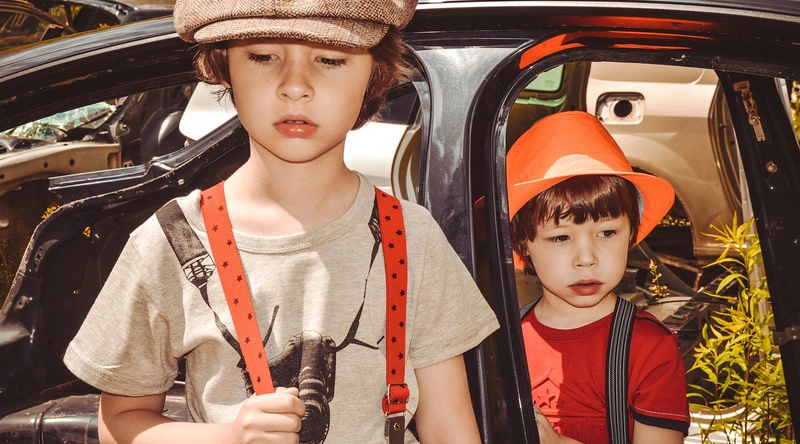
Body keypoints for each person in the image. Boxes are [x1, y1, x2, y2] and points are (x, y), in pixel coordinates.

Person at [63, 1, 499, 443]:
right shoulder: (171, 241)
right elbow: (120, 422)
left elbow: (449, 428)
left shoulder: (412, 238)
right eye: (262, 56)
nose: (295, 87)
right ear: (223, 67)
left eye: (330, 59)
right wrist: (230, 438)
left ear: (375, 75)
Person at [507, 111, 690, 443]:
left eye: (606, 233)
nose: (586, 259)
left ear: (631, 233)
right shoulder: (507, 342)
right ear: (523, 244)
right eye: (560, 238)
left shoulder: (649, 347)